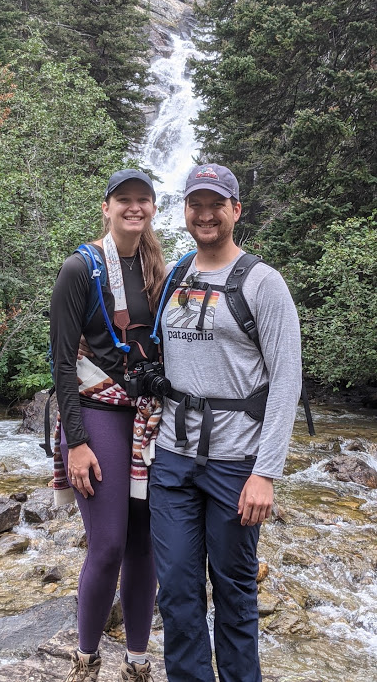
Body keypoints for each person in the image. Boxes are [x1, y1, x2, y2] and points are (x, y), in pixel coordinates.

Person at [149, 163, 302, 682]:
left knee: (234, 593)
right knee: (176, 589)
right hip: (172, 459)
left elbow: (286, 381)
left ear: (236, 209)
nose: (206, 214)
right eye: (196, 204)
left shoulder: (264, 283)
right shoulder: (175, 276)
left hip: (236, 463)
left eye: (217, 204)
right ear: (185, 211)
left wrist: (266, 473)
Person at [50, 169, 165, 682]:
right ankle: (86, 658)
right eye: (124, 199)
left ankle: (137, 661)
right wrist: (75, 442)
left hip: (146, 418)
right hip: (96, 413)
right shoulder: (81, 268)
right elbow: (61, 363)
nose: (133, 207)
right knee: (109, 544)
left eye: (143, 199)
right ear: (106, 207)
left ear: (153, 208)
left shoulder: (157, 268)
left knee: (144, 544)